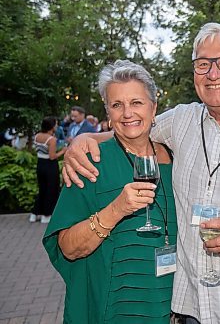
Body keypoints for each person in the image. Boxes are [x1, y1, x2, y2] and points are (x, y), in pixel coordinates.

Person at [62, 23, 220, 324]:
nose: (214, 74)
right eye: (203, 64)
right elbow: (134, 125)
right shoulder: (181, 120)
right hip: (190, 311)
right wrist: (83, 140)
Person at [43, 60, 177, 323]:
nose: (127, 113)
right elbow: (68, 248)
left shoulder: (177, 158)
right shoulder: (89, 162)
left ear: (154, 108)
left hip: (170, 306)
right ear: (108, 113)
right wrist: (116, 210)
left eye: (136, 102)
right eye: (117, 105)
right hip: (112, 309)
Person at [30, 117, 67, 223]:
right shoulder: (51, 139)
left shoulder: (37, 136)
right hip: (50, 166)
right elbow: (52, 156)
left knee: (42, 189)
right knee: (51, 189)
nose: (56, 126)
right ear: (51, 126)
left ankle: (35, 213)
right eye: (55, 124)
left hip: (40, 164)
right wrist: (63, 151)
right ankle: (47, 215)